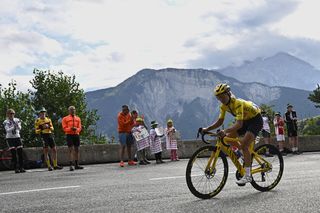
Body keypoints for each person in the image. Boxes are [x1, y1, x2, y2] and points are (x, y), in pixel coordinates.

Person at [202, 83, 263, 185]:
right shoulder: (224, 106)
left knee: (244, 145)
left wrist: (224, 131)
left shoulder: (237, 103)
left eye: (222, 96)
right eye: (219, 98)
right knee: (229, 139)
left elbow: (238, 125)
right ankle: (243, 156)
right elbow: (220, 121)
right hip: (245, 120)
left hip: (255, 120)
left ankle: (248, 176)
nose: (221, 99)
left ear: (228, 94)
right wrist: (207, 129)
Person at [62, 106, 84, 171]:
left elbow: (80, 128)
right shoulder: (65, 118)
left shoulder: (78, 118)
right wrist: (70, 129)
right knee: (70, 150)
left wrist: (76, 129)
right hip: (69, 135)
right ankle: (71, 165)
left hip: (76, 134)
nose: (73, 111)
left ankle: (77, 165)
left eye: (74, 110)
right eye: (71, 110)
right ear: (69, 111)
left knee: (77, 150)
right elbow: (64, 128)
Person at [3, 109, 25, 173]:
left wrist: (17, 125)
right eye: (10, 114)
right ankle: (16, 168)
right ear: (7, 114)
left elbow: (20, 128)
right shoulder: (5, 121)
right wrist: (13, 127)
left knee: (20, 152)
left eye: (13, 113)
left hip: (17, 137)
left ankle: (21, 167)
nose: (11, 115)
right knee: (13, 153)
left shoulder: (17, 120)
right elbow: (7, 130)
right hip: (10, 138)